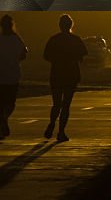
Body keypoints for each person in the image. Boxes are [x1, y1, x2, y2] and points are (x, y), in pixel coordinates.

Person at [42, 14, 88, 142]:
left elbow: (46, 56)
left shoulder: (54, 39)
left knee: (56, 103)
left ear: (60, 25)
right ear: (71, 25)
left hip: (56, 73)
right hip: (71, 74)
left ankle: (52, 122)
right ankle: (61, 131)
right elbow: (83, 55)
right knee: (66, 105)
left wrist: (57, 60)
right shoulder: (76, 40)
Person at [0, 14, 29, 140]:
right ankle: (4, 120)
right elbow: (24, 54)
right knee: (10, 102)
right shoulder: (17, 39)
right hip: (12, 75)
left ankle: (1, 127)